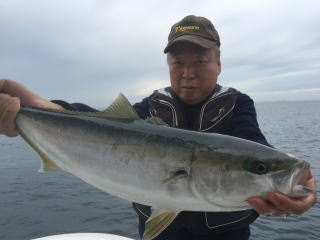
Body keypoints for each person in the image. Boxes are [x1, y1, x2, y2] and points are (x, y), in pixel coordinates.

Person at [0, 15, 317, 240]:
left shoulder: (238, 105)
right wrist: (36, 109)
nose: (188, 73)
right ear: (168, 65)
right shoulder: (152, 106)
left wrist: (303, 192)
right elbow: (104, 124)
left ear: (218, 62)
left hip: (226, 235)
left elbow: (254, 146)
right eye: (178, 63)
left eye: (201, 61)